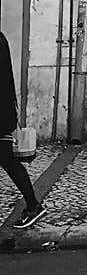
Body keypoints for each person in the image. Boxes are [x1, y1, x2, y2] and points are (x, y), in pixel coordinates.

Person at [0, 30, 45, 229]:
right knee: (7, 160)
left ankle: (34, 205)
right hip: (4, 112)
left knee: (8, 160)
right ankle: (34, 206)